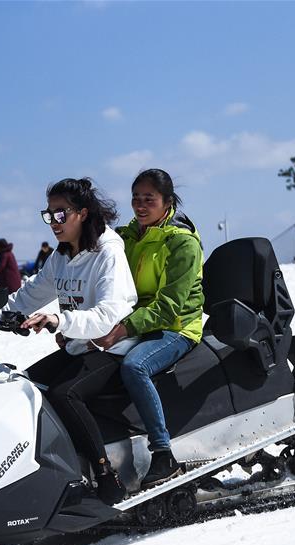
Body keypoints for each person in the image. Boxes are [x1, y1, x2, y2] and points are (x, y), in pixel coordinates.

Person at [6, 177, 138, 505]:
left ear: (82, 213)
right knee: (25, 386)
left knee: (64, 394)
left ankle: (105, 474)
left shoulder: (108, 252)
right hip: (81, 345)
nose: (53, 222)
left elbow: (108, 315)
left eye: (60, 214)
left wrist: (59, 320)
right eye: (48, 215)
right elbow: (33, 292)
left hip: (113, 346)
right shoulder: (63, 254)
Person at [94, 169, 203, 488]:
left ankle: (163, 454)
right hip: (136, 321)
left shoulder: (182, 242)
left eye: (149, 199)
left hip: (177, 326)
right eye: (136, 198)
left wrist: (122, 329)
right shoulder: (127, 237)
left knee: (135, 366)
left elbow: (169, 305)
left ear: (167, 202)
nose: (140, 206)